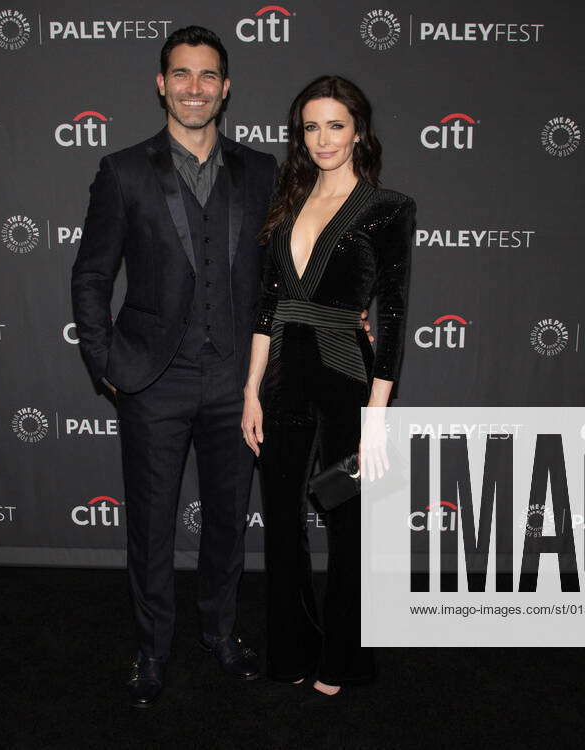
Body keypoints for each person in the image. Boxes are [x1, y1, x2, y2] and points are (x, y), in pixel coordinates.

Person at [70, 26, 278, 708]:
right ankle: (152, 650)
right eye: (181, 75)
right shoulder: (124, 171)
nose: (195, 87)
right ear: (162, 84)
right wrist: (105, 361)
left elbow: (285, 274)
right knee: (153, 526)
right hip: (151, 379)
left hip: (234, 384)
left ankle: (220, 633)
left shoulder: (262, 172)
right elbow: (92, 275)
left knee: (227, 521)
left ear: (226, 87)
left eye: (208, 75)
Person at [241, 75, 415, 700]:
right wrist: (251, 391)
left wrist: (377, 413)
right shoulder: (283, 204)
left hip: (347, 375)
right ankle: (289, 649)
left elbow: (392, 313)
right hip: (283, 374)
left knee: (348, 523)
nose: (323, 139)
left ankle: (343, 658)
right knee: (283, 523)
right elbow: (268, 307)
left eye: (335, 125)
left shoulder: (387, 207)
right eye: (311, 127)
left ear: (359, 131)